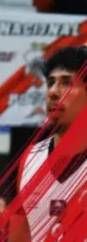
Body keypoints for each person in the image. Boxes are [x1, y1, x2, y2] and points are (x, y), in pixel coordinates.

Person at [9, 46, 87, 242]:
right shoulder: (30, 158)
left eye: (66, 83)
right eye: (50, 83)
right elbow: (19, 235)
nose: (52, 92)